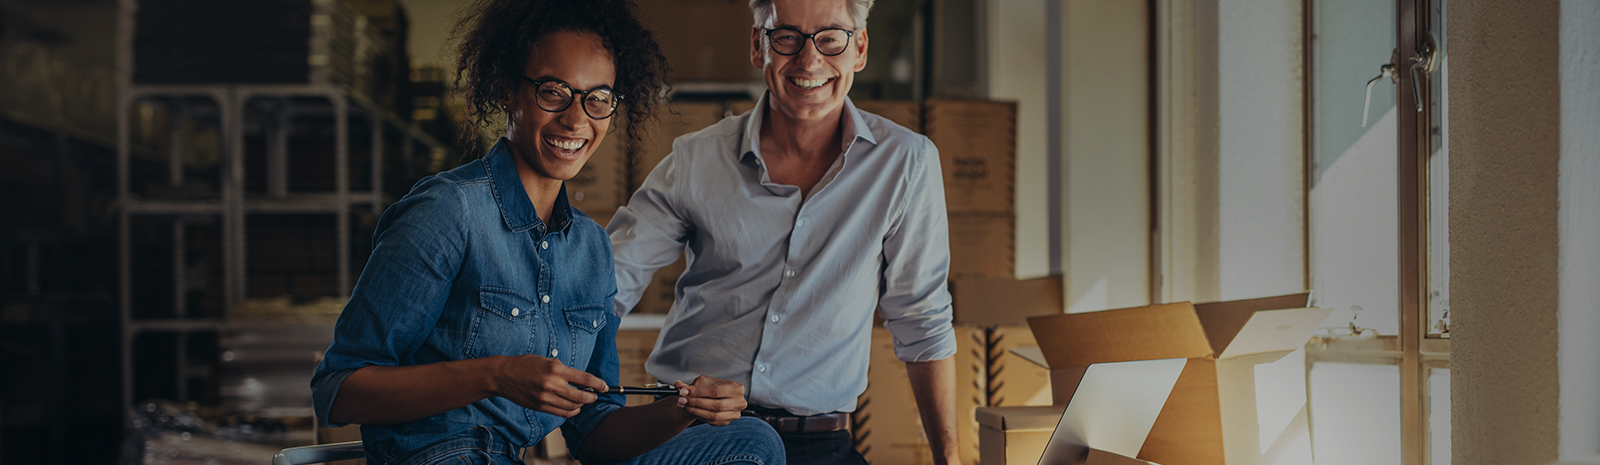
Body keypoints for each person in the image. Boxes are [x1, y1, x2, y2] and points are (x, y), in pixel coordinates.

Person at [310, 1, 784, 464]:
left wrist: (684, 410)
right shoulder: (448, 212)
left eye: (597, 99)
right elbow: (339, 391)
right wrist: (496, 375)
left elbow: (594, 434)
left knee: (752, 441)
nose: (576, 120)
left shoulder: (591, 249)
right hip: (436, 454)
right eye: (554, 92)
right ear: (506, 89)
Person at [606, 0, 962, 463]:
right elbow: (606, 286)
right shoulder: (697, 159)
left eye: (831, 38)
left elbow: (921, 318)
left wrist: (949, 459)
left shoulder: (906, 165)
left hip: (819, 442)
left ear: (860, 49)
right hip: (696, 434)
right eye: (787, 37)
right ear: (759, 46)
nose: (810, 61)